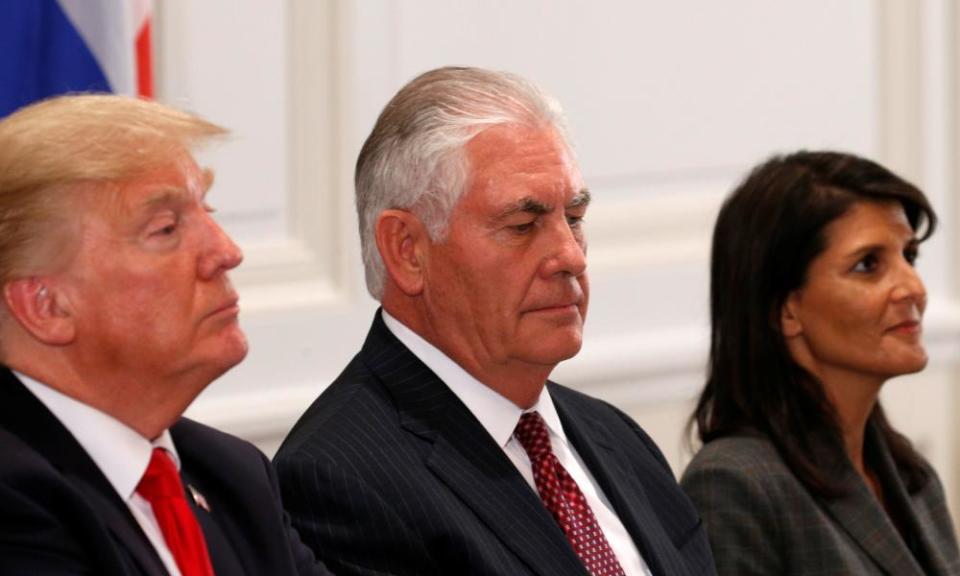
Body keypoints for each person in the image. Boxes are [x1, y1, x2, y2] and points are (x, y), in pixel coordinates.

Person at [274, 66, 715, 576]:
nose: (570, 256)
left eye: (573, 219)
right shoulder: (342, 478)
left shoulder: (614, 436)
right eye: (523, 226)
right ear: (407, 250)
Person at [0, 94, 332, 576]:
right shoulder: (14, 498)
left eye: (208, 210)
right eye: (166, 228)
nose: (227, 251)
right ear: (46, 307)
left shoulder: (230, 474)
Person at [680, 150, 960, 575]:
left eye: (910, 256)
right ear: (785, 311)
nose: (913, 288)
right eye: (868, 265)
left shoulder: (909, 474)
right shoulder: (734, 484)